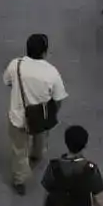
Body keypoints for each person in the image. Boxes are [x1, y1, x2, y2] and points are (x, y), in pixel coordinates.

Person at [4, 32, 68, 190]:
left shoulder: (15, 65)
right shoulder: (52, 72)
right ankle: (37, 155)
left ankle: (19, 181)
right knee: (40, 139)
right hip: (41, 118)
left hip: (18, 118)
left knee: (19, 151)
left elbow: (7, 81)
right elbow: (58, 98)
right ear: (44, 52)